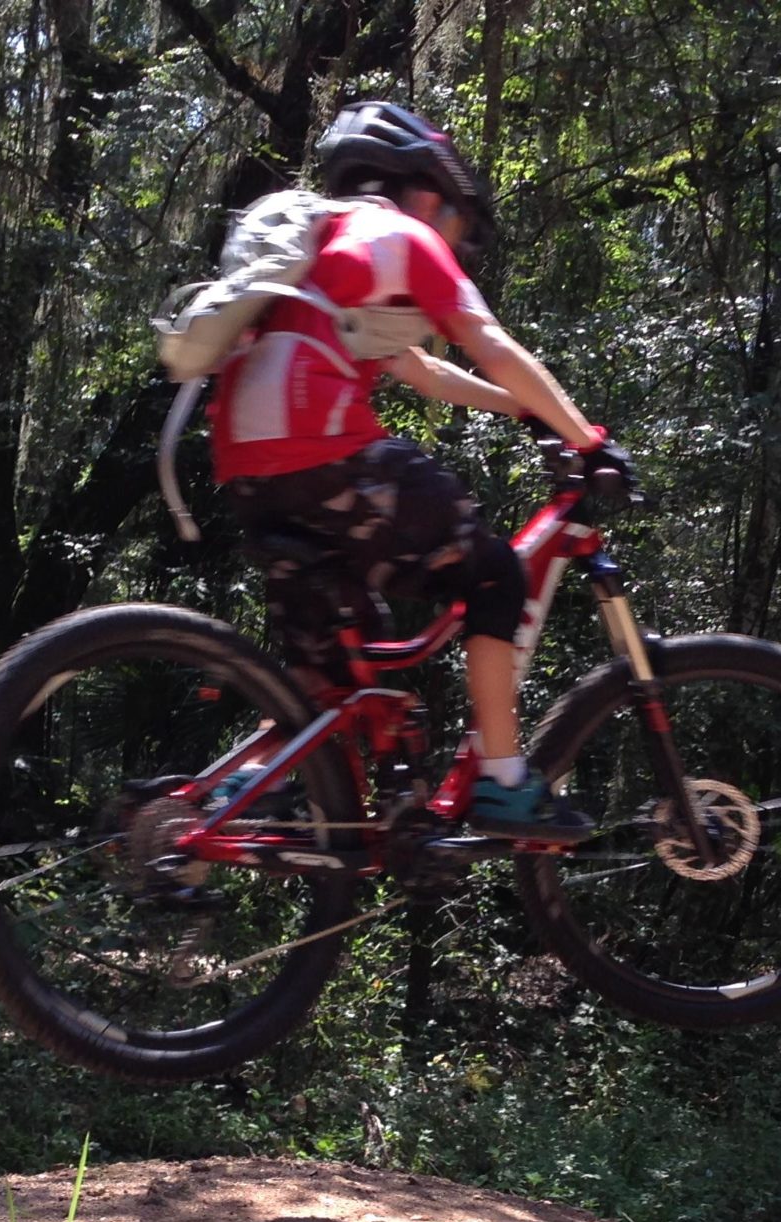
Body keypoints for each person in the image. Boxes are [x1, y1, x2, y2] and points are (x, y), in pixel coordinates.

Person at [211, 100, 630, 840]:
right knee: (495, 572)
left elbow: (424, 370)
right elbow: (488, 343)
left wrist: (527, 413)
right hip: (325, 449)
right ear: (430, 193)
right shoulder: (403, 233)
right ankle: (504, 781)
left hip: (247, 470)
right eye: (460, 224)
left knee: (332, 676)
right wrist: (587, 439)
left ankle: (246, 790)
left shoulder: (322, 252)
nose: (456, 240)